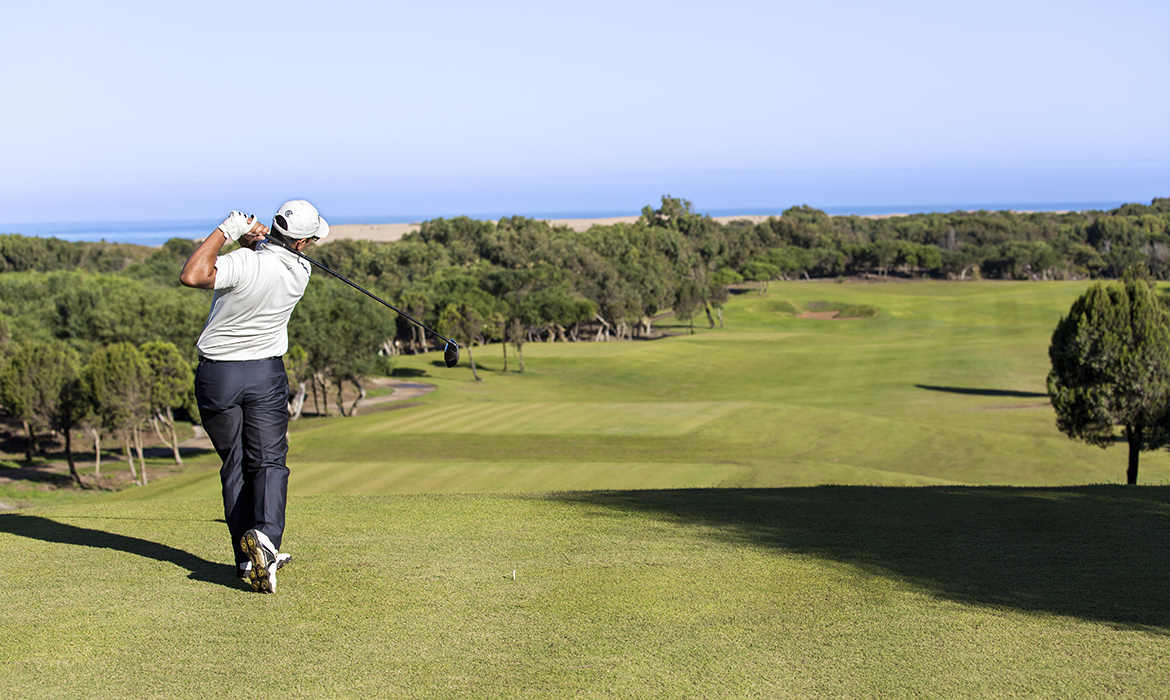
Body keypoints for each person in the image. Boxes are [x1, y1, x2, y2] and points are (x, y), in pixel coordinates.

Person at [179, 199, 329, 593]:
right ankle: (266, 542)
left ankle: (247, 559)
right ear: (301, 243)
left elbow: (194, 275)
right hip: (264, 374)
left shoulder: (245, 263)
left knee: (236, 464)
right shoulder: (301, 270)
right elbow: (264, 261)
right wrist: (251, 241)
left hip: (218, 376)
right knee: (269, 462)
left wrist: (227, 232)